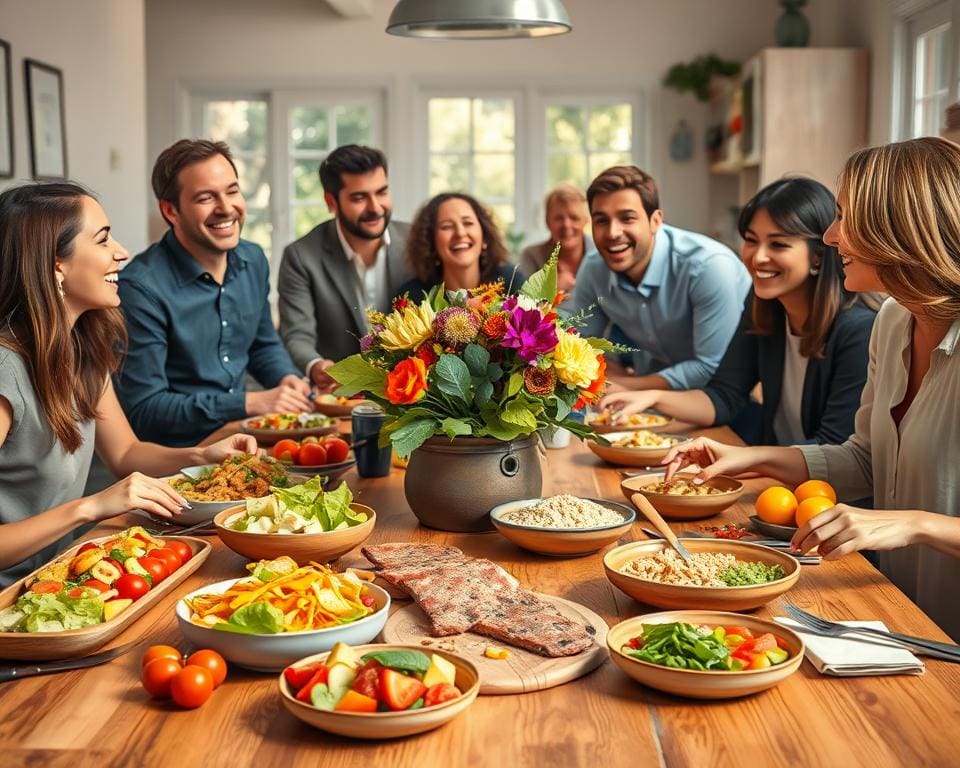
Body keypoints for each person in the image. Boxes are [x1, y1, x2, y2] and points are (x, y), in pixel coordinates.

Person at [660, 138, 960, 641]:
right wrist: (748, 457)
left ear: (899, 226)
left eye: (845, 216)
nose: (830, 235)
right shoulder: (893, 321)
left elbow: (902, 513)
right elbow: (865, 461)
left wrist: (916, 524)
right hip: (903, 616)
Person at [0, 182, 257, 585]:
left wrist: (202, 455)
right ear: (55, 264)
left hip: (61, 578)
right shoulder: (5, 372)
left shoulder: (82, 348)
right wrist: (90, 507)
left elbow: (125, 453)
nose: (121, 252)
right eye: (103, 239)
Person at [600, 178, 877, 446]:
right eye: (751, 240)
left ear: (818, 254)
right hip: (776, 471)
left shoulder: (858, 330)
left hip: (811, 478)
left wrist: (744, 460)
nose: (758, 257)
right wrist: (652, 398)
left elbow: (833, 447)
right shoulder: (766, 306)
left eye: (778, 244)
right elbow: (724, 396)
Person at [116, 139, 312, 448]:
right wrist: (248, 403)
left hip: (243, 439)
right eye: (206, 197)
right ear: (171, 211)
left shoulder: (253, 259)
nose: (226, 208)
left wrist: (285, 377)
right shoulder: (140, 289)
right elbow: (146, 410)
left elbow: (261, 344)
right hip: (178, 457)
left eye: (232, 191)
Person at [568, 166, 751, 390]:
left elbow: (709, 367)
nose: (613, 233)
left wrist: (625, 386)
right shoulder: (593, 268)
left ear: (655, 221)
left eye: (627, 218)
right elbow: (581, 346)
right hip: (654, 380)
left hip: (725, 391)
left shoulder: (708, 267)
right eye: (602, 221)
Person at [278, 145, 411, 389]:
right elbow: (297, 334)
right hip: (339, 396)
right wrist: (316, 365)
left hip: (414, 394)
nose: (375, 207)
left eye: (381, 192)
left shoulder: (418, 242)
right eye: (359, 197)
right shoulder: (300, 256)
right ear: (331, 202)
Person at [397, 192, 523, 301]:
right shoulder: (411, 297)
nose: (460, 233)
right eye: (447, 226)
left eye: (468, 223)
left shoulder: (512, 284)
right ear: (430, 241)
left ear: (484, 236)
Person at [519, 183, 597, 301]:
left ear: (586, 220)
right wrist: (552, 290)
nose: (566, 225)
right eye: (558, 218)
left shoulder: (602, 255)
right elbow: (521, 306)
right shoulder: (532, 256)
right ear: (547, 222)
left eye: (574, 218)